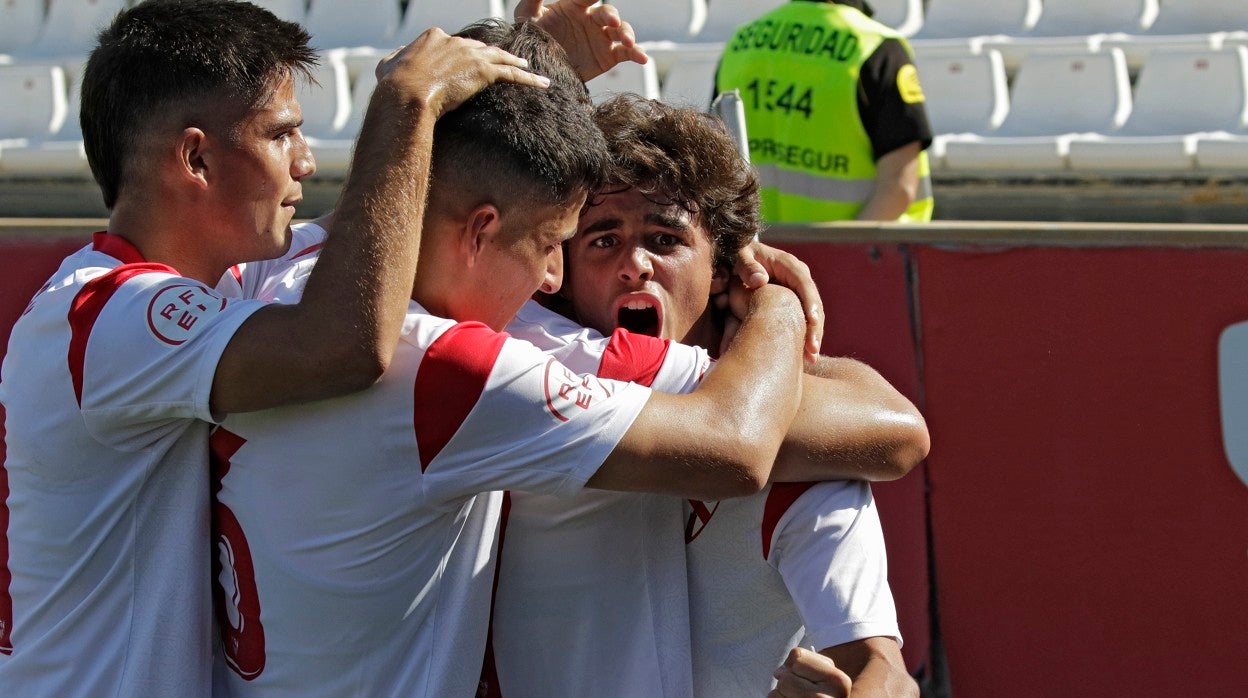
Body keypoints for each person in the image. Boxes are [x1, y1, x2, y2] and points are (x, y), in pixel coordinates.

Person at [209, 19, 809, 697]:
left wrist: (531, 64)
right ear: (482, 230)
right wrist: (776, 299)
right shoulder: (455, 376)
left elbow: (407, 191)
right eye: (552, 241)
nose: (552, 278)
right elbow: (761, 441)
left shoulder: (278, 270)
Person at [0, 0, 558, 693]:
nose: (306, 160)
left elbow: (375, 228)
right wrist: (404, 102)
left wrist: (532, 73)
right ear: (197, 157)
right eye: (281, 134)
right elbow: (345, 345)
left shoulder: (215, 278)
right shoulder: (103, 314)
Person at [490, 95, 926, 697]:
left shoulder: (810, 453)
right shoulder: (540, 363)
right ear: (559, 267)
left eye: (665, 238)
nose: (635, 263)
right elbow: (900, 429)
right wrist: (776, 303)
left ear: (720, 268)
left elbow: (884, 671)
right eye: (602, 240)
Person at [715, 0, 934, 223]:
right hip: (856, 252)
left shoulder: (740, 43)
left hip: (762, 250)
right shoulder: (877, 47)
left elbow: (714, 169)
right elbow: (899, 188)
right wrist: (837, 255)